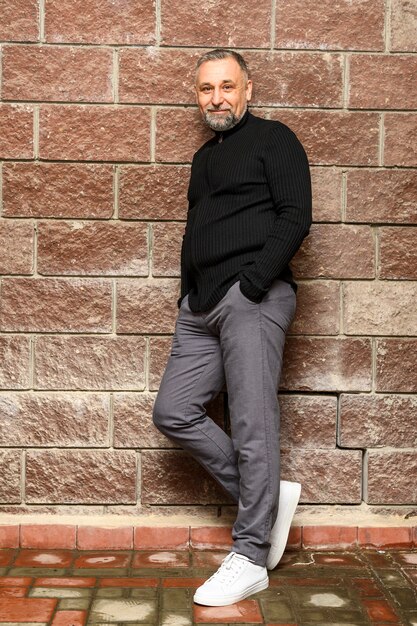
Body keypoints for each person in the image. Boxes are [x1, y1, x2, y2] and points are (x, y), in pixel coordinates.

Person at [153, 48, 312, 607]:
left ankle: (250, 556)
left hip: (253, 298)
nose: (216, 98)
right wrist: (185, 295)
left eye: (226, 86)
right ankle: (266, 500)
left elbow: (296, 215)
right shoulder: (204, 159)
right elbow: (196, 228)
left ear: (247, 88)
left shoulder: (276, 139)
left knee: (251, 423)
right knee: (174, 410)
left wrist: (251, 285)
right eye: (205, 89)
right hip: (200, 307)